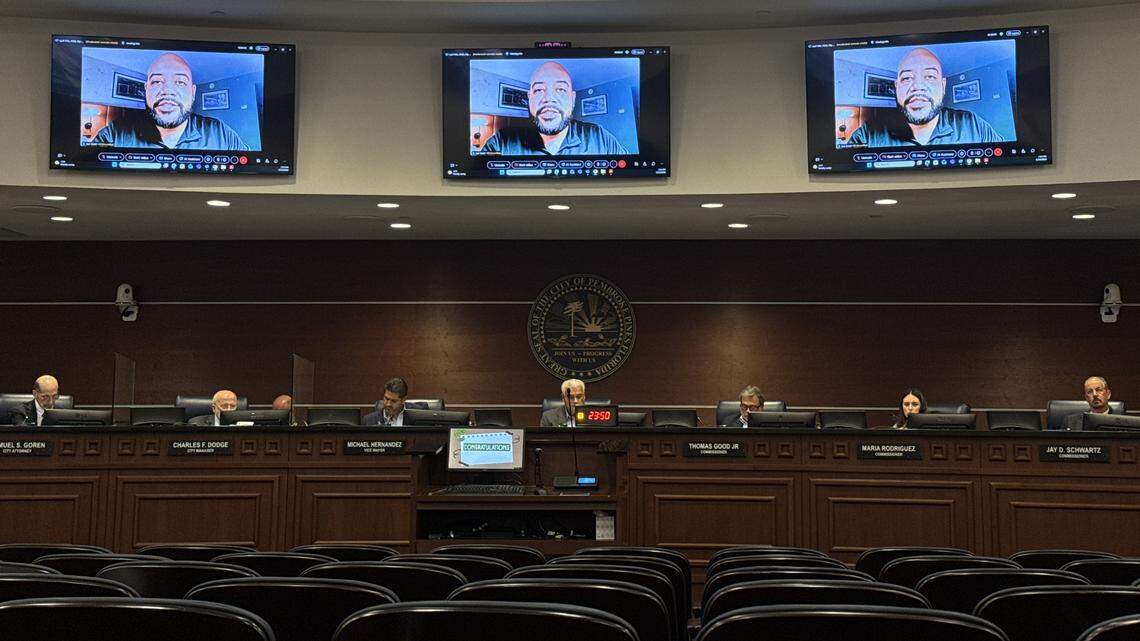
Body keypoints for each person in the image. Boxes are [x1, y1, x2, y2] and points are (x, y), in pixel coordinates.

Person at [846, 47, 1003, 147]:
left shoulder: (974, 125)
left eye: (929, 76)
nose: (918, 87)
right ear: (897, 87)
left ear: (943, 86)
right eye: (907, 78)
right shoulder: (868, 133)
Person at [90, 52, 249, 150]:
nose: (167, 91)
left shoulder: (221, 133)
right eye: (157, 82)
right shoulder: (114, 134)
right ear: (146, 90)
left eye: (180, 82)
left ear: (193, 92)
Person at [480, 61, 628, 156]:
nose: (549, 98)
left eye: (561, 89)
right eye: (539, 90)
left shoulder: (600, 137)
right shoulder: (501, 141)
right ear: (529, 98)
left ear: (573, 98)